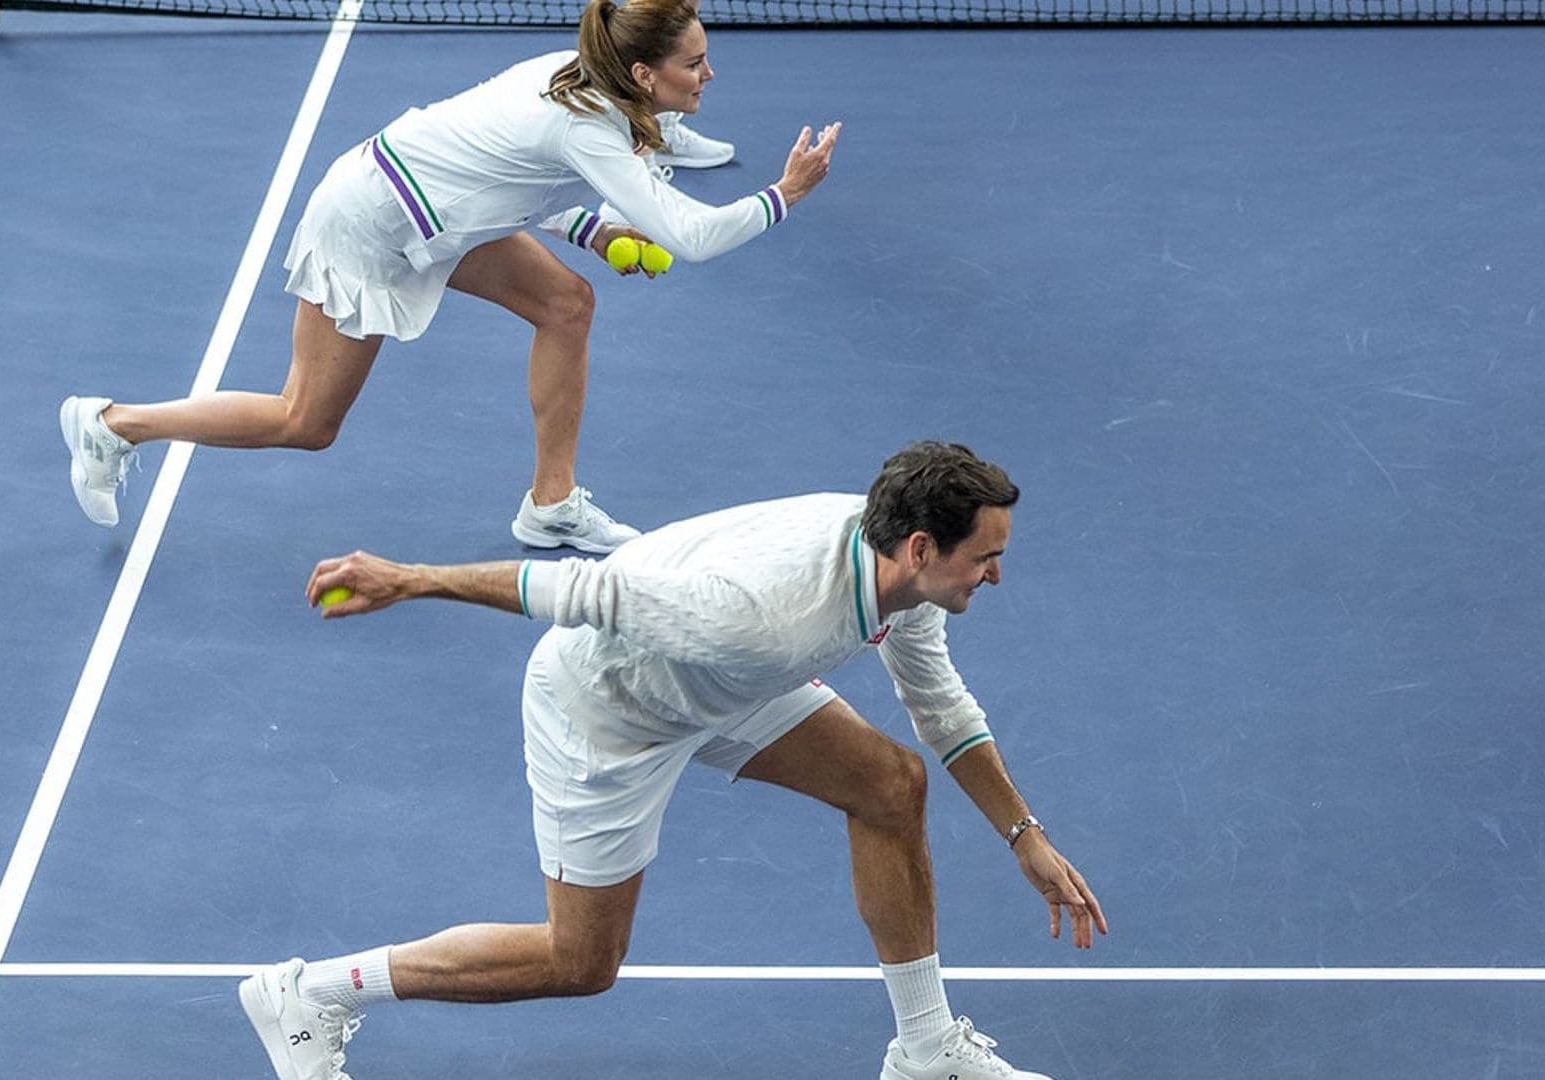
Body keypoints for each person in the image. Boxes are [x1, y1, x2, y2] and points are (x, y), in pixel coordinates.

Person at [237, 441, 1107, 1080]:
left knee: (889, 784)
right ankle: (315, 991)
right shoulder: (763, 610)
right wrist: (417, 578)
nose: (995, 575)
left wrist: (1022, 835)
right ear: (922, 548)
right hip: (607, 715)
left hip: (728, 684)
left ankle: (925, 1051)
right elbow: (578, 588)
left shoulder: (902, 576)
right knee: (582, 965)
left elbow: (940, 708)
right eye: (987, 558)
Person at [59, 0, 840, 553]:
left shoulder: (580, 78)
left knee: (567, 303)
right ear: (642, 72)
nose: (710, 71)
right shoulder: (587, 127)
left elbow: (507, 185)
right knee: (307, 421)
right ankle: (114, 424)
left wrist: (594, 227)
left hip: (435, 212)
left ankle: (552, 504)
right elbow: (695, 237)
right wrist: (786, 193)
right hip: (369, 224)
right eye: (694, 62)